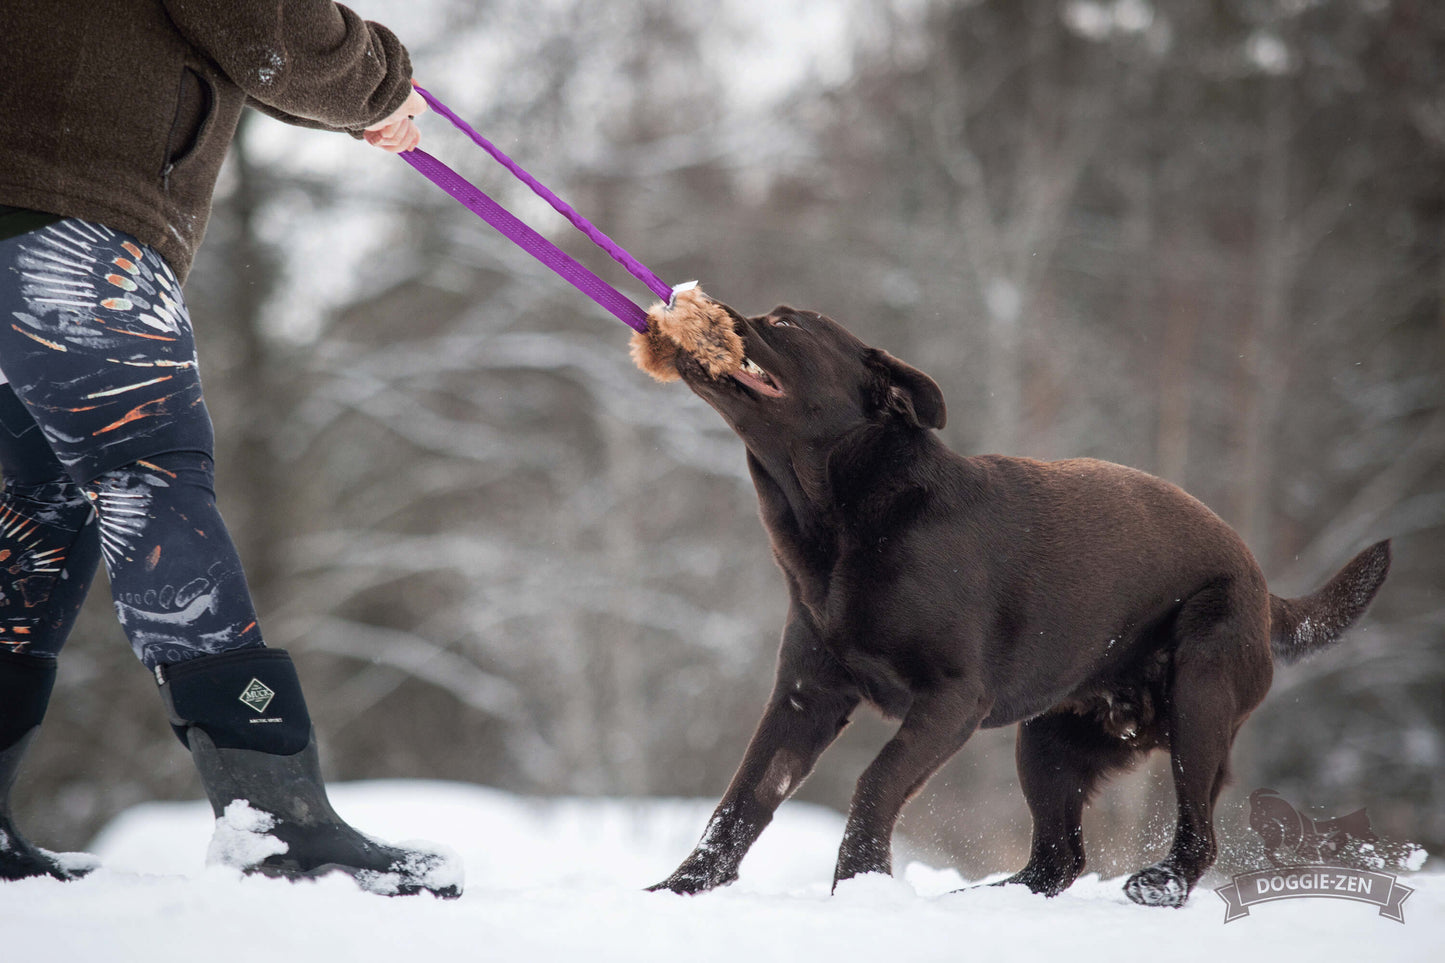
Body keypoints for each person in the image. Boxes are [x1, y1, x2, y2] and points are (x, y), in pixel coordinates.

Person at [0, 0, 457, 897]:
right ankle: (275, 818)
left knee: (33, 513)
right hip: (66, 201)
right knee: (147, 472)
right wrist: (378, 80)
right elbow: (258, 20)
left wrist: (360, 97)